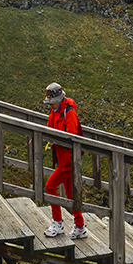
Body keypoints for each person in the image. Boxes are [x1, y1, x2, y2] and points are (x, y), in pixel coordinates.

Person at [42, 82, 87, 239]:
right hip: (63, 161)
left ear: (59, 100)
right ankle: (80, 227)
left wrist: (56, 139)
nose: (50, 105)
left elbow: (72, 137)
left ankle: (57, 222)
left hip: (68, 162)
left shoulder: (69, 113)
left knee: (50, 186)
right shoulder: (54, 112)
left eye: (51, 102)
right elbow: (49, 129)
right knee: (71, 195)